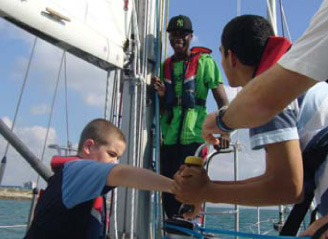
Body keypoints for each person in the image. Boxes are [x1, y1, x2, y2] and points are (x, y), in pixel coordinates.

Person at [172, 15, 328, 238]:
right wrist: (207, 191)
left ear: (231, 57)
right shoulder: (293, 83)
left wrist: (207, 191)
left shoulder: (273, 96)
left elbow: (288, 187)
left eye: (221, 53)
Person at [201, 0, 328, 146]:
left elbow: (283, 170)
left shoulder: (270, 101)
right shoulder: (298, 87)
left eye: (221, 53)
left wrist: (220, 121)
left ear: (231, 58)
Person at [24, 118, 173, 239]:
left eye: (118, 158)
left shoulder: (82, 183)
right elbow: (122, 174)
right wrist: (174, 186)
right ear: (89, 147)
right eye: (112, 154)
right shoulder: (77, 170)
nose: (115, 162)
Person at [152, 14, 229, 219]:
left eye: (183, 34)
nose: (178, 38)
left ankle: (191, 225)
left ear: (191, 37)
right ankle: (172, 228)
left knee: (190, 190)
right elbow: (160, 108)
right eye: (174, 34)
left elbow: (223, 101)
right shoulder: (164, 66)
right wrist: (161, 95)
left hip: (194, 137)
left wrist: (225, 133)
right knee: (169, 192)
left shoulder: (206, 63)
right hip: (168, 138)